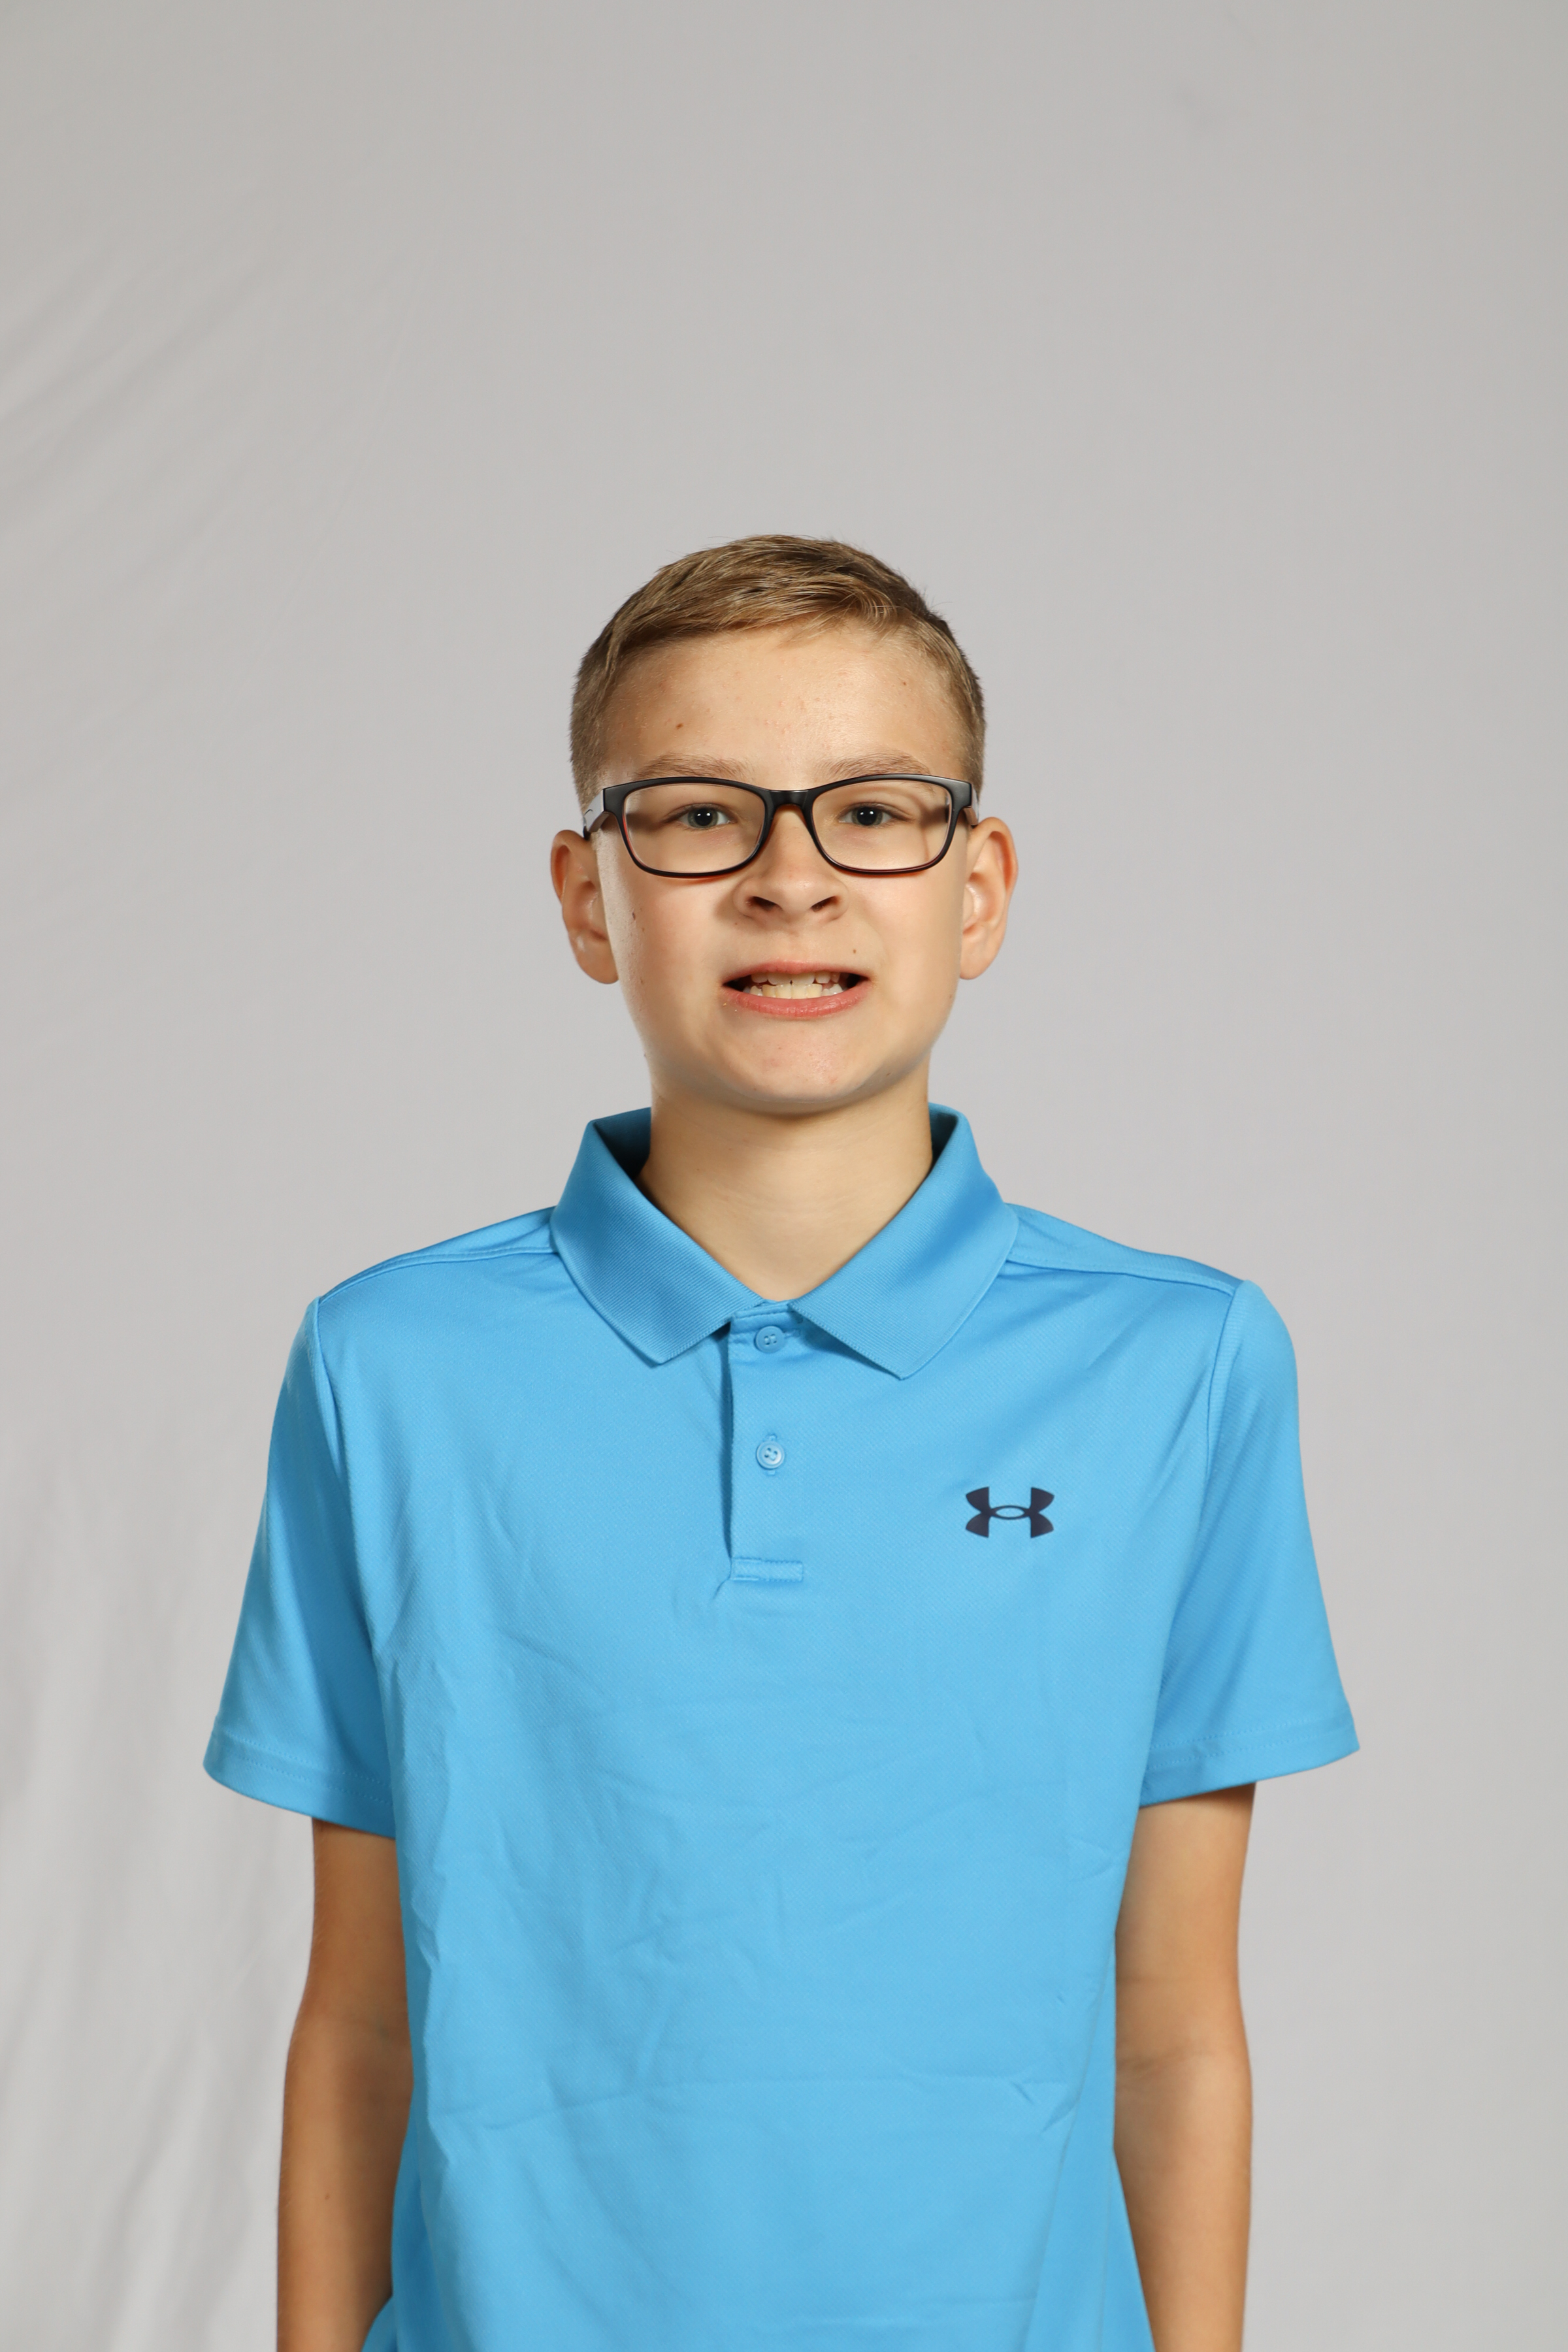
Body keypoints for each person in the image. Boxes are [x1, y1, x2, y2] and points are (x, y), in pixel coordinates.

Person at [205, 536, 1356, 2352]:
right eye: (697, 816)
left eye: (875, 812)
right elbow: (361, 2024)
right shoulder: (391, 1369)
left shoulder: (1178, 1366)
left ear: (978, 889)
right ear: (589, 898)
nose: (791, 878)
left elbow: (1174, 2030)